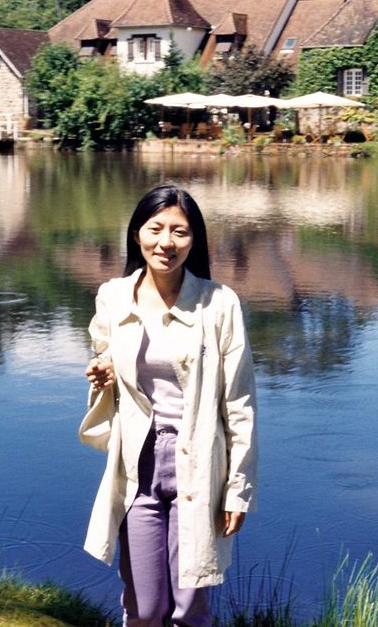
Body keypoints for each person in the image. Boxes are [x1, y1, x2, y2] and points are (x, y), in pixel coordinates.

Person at [78, 184, 258, 627]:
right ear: (137, 234)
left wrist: (238, 490)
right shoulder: (113, 296)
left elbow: (240, 404)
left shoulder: (219, 304)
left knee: (188, 606)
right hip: (138, 463)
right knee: (144, 605)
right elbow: (107, 357)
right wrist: (102, 370)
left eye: (180, 232)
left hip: (198, 461)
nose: (166, 242)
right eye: (155, 228)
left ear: (194, 240)